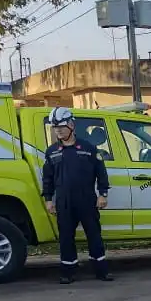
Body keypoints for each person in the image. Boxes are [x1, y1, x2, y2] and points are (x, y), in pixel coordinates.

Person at [41, 107, 113, 285]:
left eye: (62, 127)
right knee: (66, 237)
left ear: (72, 125)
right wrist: (48, 200)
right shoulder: (51, 152)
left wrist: (102, 194)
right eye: (55, 128)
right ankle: (68, 272)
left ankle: (101, 270)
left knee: (94, 235)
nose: (58, 131)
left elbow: (101, 173)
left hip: (86, 199)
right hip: (64, 201)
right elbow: (47, 178)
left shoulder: (88, 148)